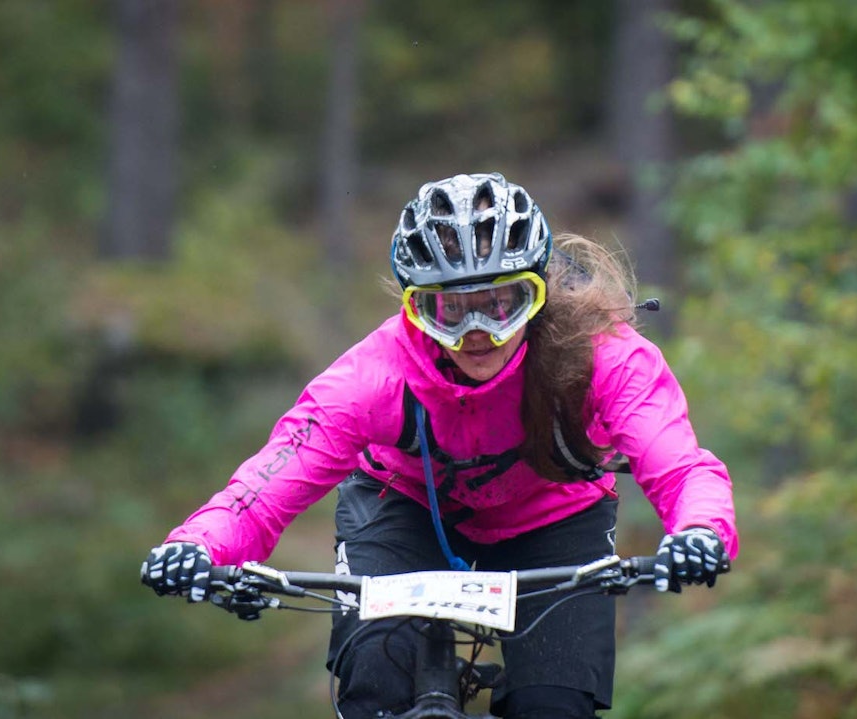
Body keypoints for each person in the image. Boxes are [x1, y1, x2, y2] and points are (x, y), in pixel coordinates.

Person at [141, 172, 739, 719]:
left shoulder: (606, 356)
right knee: (375, 679)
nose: (477, 334)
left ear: (538, 297)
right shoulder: (371, 376)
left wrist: (699, 531)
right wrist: (197, 545)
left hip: (554, 515)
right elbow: (266, 484)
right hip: (404, 505)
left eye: (501, 304)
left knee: (554, 703)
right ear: (414, 309)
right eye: (448, 310)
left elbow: (680, 465)